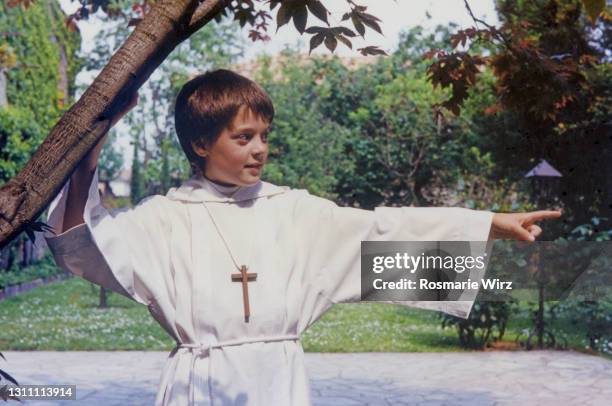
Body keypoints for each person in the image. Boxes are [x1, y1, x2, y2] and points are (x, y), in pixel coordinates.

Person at [43, 69, 561, 406]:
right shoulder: (164, 218)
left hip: (279, 385)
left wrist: (487, 223)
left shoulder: (295, 212)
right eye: (242, 137)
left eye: (264, 136)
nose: (259, 149)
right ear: (201, 143)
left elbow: (381, 230)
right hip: (199, 385)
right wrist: (92, 147)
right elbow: (83, 242)